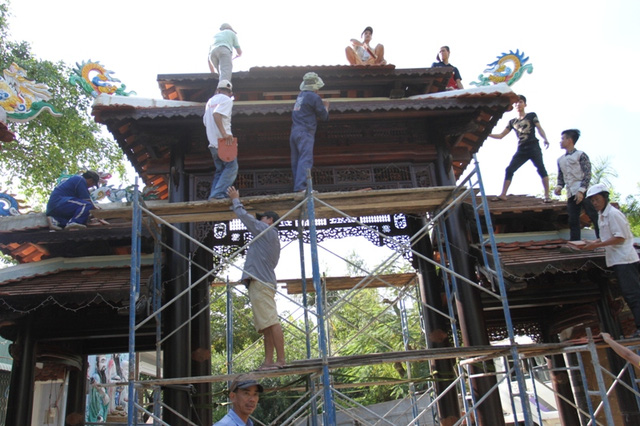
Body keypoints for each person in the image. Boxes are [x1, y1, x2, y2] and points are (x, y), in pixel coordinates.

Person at [227, 186, 286, 370]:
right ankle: (269, 361)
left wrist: (236, 200)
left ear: (270, 220)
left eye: (262, 218)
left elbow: (246, 219)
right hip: (260, 282)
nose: (259, 220)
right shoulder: (269, 238)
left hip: (260, 282)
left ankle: (281, 360)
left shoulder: (266, 231)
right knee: (266, 325)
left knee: (272, 321)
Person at [582, 183, 640, 338]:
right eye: (592, 201)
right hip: (617, 259)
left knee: (633, 295)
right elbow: (608, 236)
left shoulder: (613, 214)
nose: (594, 203)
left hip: (625, 259)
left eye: (597, 199)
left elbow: (620, 237)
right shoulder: (602, 216)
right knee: (629, 295)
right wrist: (593, 244)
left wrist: (598, 245)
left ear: (605, 198)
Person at [489, 95, 551, 202]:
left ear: (525, 104)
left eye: (520, 102)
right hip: (522, 148)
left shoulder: (531, 116)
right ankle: (503, 194)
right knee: (509, 169)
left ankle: (547, 195)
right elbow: (501, 135)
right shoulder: (512, 122)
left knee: (541, 168)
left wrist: (545, 138)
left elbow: (539, 128)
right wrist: (488, 134)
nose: (518, 104)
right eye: (516, 103)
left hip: (533, 146)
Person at [553, 129, 600, 241]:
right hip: (570, 193)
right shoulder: (560, 160)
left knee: (594, 216)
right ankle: (575, 242)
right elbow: (561, 177)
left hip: (584, 191)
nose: (560, 141)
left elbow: (587, 173)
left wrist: (581, 191)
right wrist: (559, 187)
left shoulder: (581, 155)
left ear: (570, 140)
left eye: (563, 139)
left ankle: (602, 240)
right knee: (573, 219)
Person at [290, 72, 329, 192]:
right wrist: (326, 106)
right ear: (315, 87)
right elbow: (324, 116)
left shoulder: (301, 96)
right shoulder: (314, 97)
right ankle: (302, 187)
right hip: (305, 132)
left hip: (295, 131)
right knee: (306, 159)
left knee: (297, 161)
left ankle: (298, 187)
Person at [204, 79, 238, 199]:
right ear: (230, 93)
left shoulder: (209, 102)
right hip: (224, 142)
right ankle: (218, 194)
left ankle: (213, 195)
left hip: (212, 143)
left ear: (218, 90)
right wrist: (224, 134)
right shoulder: (227, 100)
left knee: (220, 170)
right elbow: (216, 114)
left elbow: (205, 122)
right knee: (232, 167)